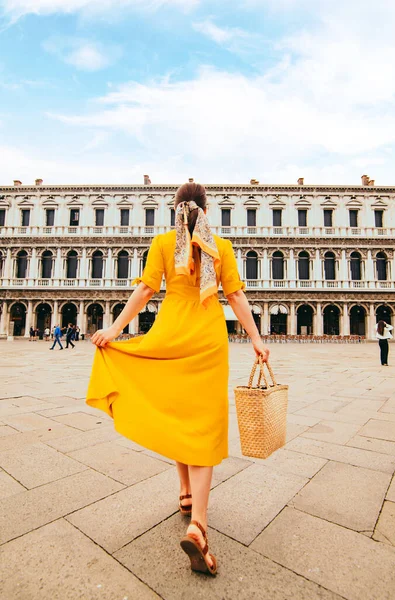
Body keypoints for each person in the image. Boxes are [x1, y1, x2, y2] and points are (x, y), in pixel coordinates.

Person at [86, 182, 269, 576]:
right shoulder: (220, 247)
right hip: (207, 338)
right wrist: (256, 339)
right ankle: (198, 525)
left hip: (170, 334)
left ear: (176, 209)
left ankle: (186, 494)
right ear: (207, 211)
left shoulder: (164, 242)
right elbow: (235, 297)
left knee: (177, 414)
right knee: (203, 425)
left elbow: (146, 289)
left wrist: (115, 330)